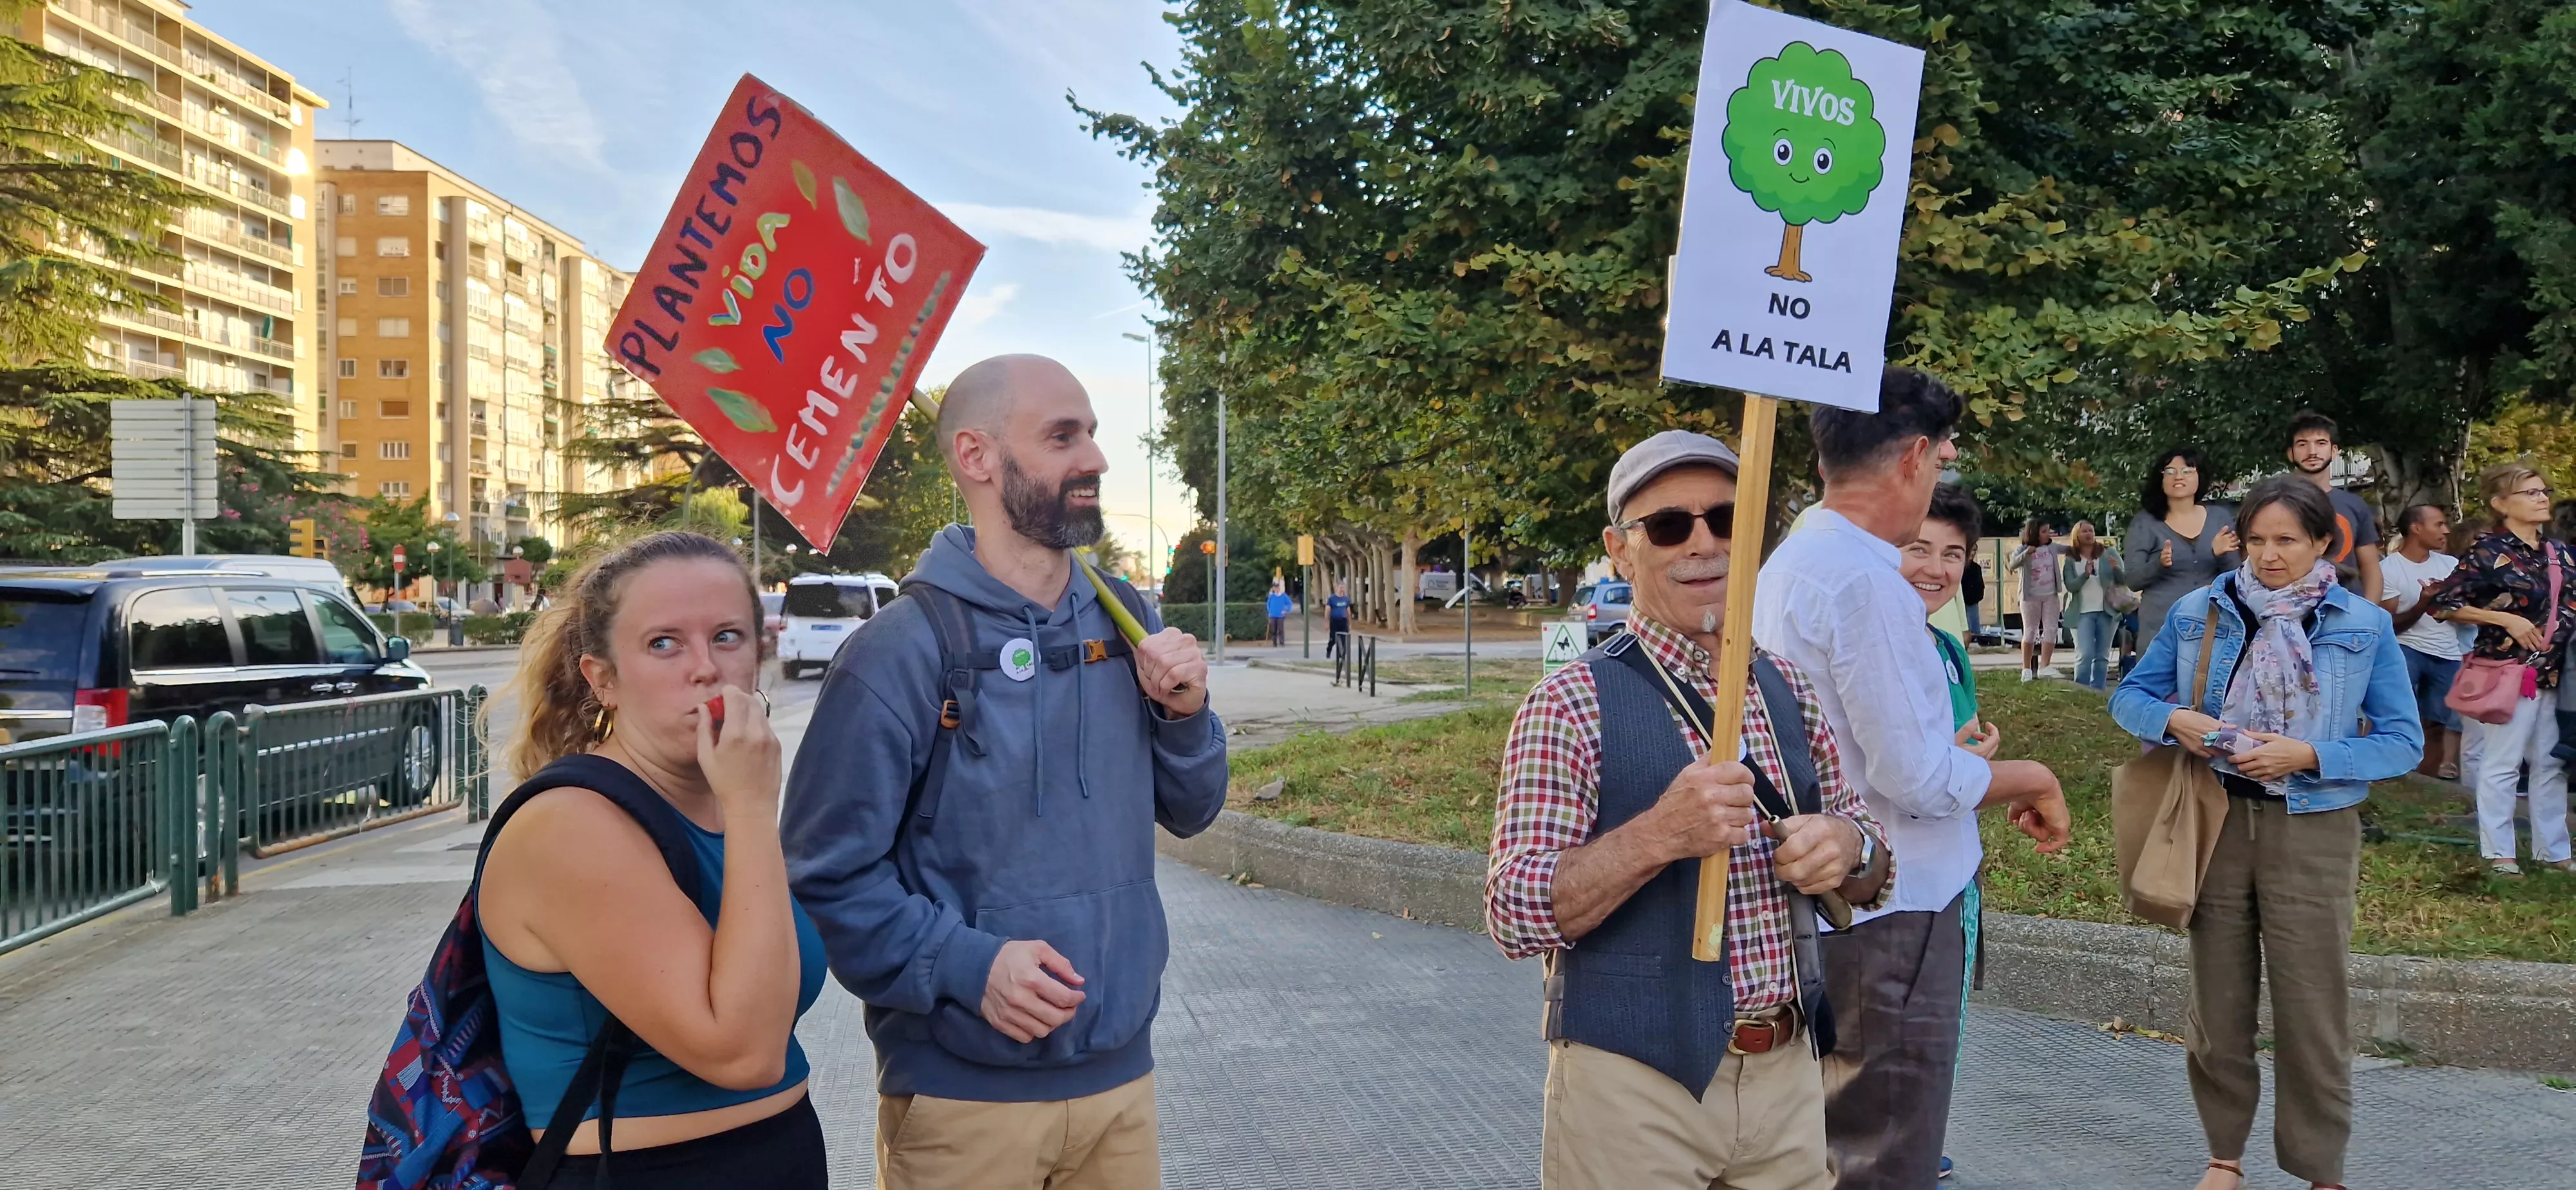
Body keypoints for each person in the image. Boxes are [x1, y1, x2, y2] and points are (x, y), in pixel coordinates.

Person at [781, 355, 1229, 1189]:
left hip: (1122, 1087)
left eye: (1092, 433)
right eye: (1062, 437)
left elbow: (1194, 809)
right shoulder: (896, 652)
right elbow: (825, 876)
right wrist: (967, 965)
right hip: (961, 1105)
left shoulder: (1131, 620)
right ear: (976, 456)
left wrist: (1184, 715)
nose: (1094, 458)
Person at [1487, 429, 1891, 1190]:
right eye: (1669, 525)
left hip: (1787, 1078)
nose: (1703, 543)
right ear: (1620, 550)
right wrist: (1656, 837)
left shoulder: (1789, 690)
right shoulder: (1569, 703)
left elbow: (1871, 861)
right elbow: (1512, 912)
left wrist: (1846, 846)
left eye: (1727, 519)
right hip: (1632, 1088)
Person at [1753, 368, 2071, 1190]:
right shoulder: (1865, 582)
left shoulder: (1795, 559)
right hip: (1891, 905)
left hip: (1834, 894)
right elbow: (1916, 779)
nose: (1938, 474)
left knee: (1829, 1145)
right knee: (1885, 1152)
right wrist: (2031, 775)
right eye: (1941, 459)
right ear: (1914, 457)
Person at [478, 531, 829, 1187]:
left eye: (727, 637)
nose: (705, 668)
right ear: (603, 679)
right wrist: (754, 807)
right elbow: (746, 1055)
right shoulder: (571, 826)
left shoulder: (719, 802)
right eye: (664, 643)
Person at [2110, 476, 2420, 1190]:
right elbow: (2130, 696)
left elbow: (2402, 742)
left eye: (2287, 540)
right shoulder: (2200, 610)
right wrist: (2173, 720)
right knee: (2217, 1005)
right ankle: (2225, 1155)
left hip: (2314, 827)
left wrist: (2308, 755)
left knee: (2312, 1007)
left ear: (2323, 543)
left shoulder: (2361, 624)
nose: (2270, 555)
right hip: (2214, 819)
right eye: (2256, 540)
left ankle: (2321, 1169)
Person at [1897, 483, 2000, 1185]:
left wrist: (1975, 757)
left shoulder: (1946, 648)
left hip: (1953, 860)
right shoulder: (1877, 642)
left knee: (1942, 1017)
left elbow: (1954, 749)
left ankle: (1919, 1136)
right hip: (1884, 868)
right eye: (1919, 548)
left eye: (1953, 554)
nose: (1935, 568)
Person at [2429, 463, 2576, 879]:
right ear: (2501, 503)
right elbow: (2443, 604)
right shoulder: (2488, 551)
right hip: (2509, 671)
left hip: (2557, 674)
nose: (2542, 498)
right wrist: (2503, 619)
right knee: (2503, 763)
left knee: (2551, 764)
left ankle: (2553, 851)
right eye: (2530, 493)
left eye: (2543, 491)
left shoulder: (2559, 552)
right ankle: (2499, 852)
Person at [2122, 446, 2242, 648]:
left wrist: (2220, 555)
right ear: (2161, 479)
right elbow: (2133, 580)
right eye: (2170, 471)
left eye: (2187, 471)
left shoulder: (2219, 518)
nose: (2179, 477)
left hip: (2212, 627)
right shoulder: (2145, 523)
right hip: (2160, 629)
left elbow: (2237, 580)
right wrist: (2159, 564)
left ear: (2200, 477)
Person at [2380, 505, 2467, 780]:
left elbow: (2466, 609)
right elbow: (2390, 626)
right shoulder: (2388, 569)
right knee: (2393, 716)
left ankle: (2424, 781)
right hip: (2405, 649)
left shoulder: (2450, 565)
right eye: (2439, 524)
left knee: (2438, 724)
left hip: (2448, 654)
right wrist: (2424, 602)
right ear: (2416, 528)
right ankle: (2384, 774)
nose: (2446, 531)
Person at [2282, 411, 2383, 599]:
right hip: (2289, 607)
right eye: (2303, 444)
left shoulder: (2355, 505)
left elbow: (2371, 569)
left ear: (2334, 451)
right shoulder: (2274, 503)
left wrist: (2369, 611)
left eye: (2321, 443)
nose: (2312, 452)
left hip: (2348, 608)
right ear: (2291, 453)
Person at [2060, 520, 2125, 690]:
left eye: (2091, 531)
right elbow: (2071, 586)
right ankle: (2081, 691)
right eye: (2085, 531)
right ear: (2077, 535)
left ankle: (2098, 691)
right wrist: (2085, 575)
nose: (2089, 534)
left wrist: (2116, 569)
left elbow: (2124, 580)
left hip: (2107, 612)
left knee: (2102, 656)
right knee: (2085, 654)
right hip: (2081, 613)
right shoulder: (2071, 558)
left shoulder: (2108, 552)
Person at [2009, 518, 2063, 681]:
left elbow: (2068, 550)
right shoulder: (2023, 549)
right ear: (2034, 533)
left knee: (2051, 629)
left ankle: (2045, 666)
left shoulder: (2051, 547)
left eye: (2049, 531)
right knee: (2030, 631)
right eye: (2044, 531)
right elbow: (2013, 564)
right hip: (2030, 597)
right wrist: (2027, 553)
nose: (2048, 534)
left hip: (2050, 595)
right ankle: (2026, 669)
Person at [1325, 578, 1353, 659]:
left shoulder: (1346, 599)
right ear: (1337, 588)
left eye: (1343, 588)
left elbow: (1348, 612)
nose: (1342, 589)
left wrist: (1350, 624)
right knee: (1333, 639)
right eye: (1341, 587)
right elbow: (1327, 611)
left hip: (1343, 621)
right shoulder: (1332, 599)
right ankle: (1329, 649)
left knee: (1344, 639)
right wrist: (1327, 623)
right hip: (1334, 621)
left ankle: (1341, 655)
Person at [1961, 554, 1986, 643]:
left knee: (1974, 624)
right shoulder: (1960, 567)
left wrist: (1978, 597)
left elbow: (1980, 585)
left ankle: (1976, 639)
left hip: (1972, 601)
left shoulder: (1976, 568)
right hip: (1962, 600)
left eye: (1975, 550)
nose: (1973, 553)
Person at [1266, 580, 1292, 647]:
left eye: (1277, 587)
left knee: (1281, 629)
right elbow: (1268, 604)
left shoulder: (1284, 596)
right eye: (1275, 588)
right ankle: (1274, 642)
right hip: (1273, 615)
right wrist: (1269, 611)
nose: (1276, 589)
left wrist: (1286, 610)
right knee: (1273, 630)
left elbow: (1289, 603)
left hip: (1281, 616)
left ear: (1279, 588)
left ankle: (1282, 642)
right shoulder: (1272, 596)